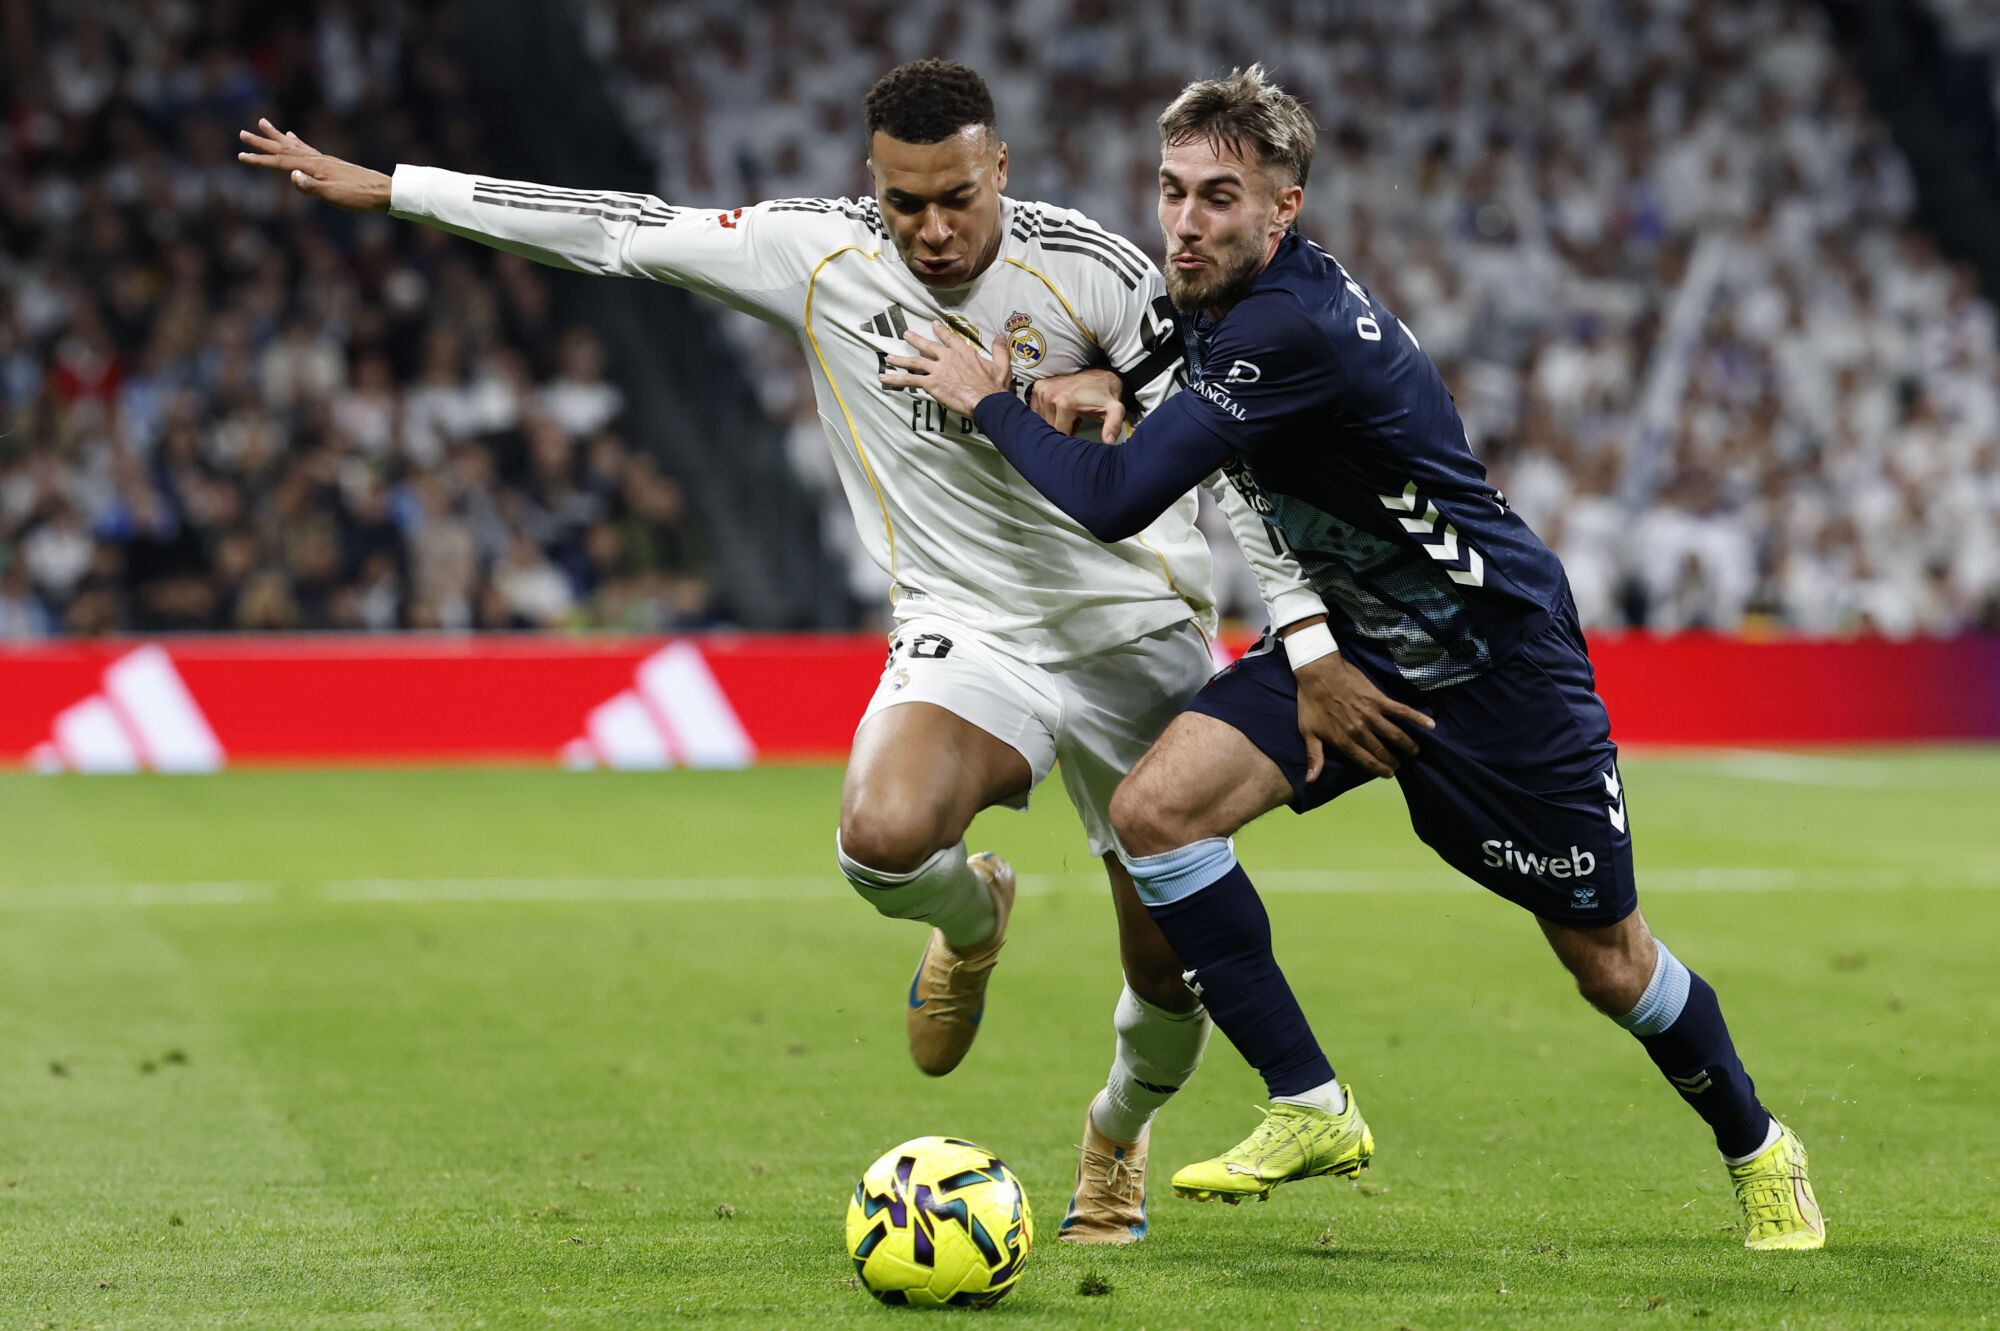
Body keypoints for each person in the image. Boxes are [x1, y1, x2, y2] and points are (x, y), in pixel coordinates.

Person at [237, 59, 1331, 1245]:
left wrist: (1114, 384)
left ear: (999, 168)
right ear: (872, 186)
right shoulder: (814, 253)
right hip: (970, 623)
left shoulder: (1096, 270)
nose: (931, 229)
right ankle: (972, 922)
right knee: (881, 836)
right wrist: (400, 188)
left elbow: (1221, 424)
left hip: (1133, 634)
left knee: (1170, 971)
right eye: (904, 202)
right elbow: (616, 233)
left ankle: (1114, 1132)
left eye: (956, 196)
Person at [880, 65, 1824, 1252]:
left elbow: (1118, 495)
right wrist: (1108, 376)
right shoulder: (1219, 299)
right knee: (1157, 812)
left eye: (1217, 198)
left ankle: (1758, 1145)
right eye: (1170, 191)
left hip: (1491, 669)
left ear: (1283, 210)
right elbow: (1181, 388)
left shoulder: (1293, 326)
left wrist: (991, 397)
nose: (1182, 221)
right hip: (1350, 641)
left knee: (1606, 960)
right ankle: (1308, 1099)